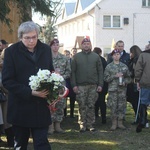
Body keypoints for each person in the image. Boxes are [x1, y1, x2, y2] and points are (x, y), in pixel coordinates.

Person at [2, 21, 54, 150]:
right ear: (20, 37)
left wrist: (54, 86)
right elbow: (7, 81)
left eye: (34, 37)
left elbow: (50, 71)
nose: (31, 41)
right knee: (20, 144)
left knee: (42, 143)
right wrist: (30, 92)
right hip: (20, 107)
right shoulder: (11, 52)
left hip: (40, 106)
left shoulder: (46, 49)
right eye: (27, 38)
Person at [71, 38, 103, 132]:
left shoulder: (96, 57)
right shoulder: (76, 57)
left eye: (88, 43)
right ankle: (82, 124)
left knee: (91, 105)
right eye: (84, 44)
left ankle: (90, 124)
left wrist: (100, 84)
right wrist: (74, 85)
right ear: (82, 45)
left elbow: (100, 71)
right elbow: (72, 72)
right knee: (82, 105)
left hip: (93, 85)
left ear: (90, 45)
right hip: (80, 85)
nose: (86, 45)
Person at [104, 49, 131, 131]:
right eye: (115, 54)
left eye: (118, 54)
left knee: (121, 106)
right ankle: (114, 123)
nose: (116, 56)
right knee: (113, 106)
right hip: (113, 90)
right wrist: (114, 76)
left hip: (122, 90)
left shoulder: (124, 66)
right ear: (112, 56)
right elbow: (105, 78)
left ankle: (120, 122)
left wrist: (125, 82)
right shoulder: (109, 66)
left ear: (120, 55)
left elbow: (129, 78)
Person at [48, 39, 71, 134]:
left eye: (57, 45)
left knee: (60, 105)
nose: (55, 46)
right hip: (50, 85)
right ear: (50, 46)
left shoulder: (64, 58)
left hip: (61, 85)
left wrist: (61, 77)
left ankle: (58, 125)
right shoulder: (47, 58)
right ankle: (50, 126)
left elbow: (68, 71)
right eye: (53, 45)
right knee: (51, 104)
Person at [135, 47, 150, 133]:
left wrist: (137, 80)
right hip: (146, 82)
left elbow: (138, 69)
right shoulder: (143, 55)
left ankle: (143, 121)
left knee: (143, 102)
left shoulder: (143, 55)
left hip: (145, 82)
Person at [126, 45, 142, 124]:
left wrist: (128, 74)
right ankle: (139, 117)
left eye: (131, 52)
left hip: (135, 84)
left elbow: (135, 72)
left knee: (135, 102)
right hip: (134, 83)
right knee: (136, 102)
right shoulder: (136, 59)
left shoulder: (136, 60)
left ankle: (139, 118)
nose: (130, 54)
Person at [93, 47, 108, 124]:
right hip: (102, 84)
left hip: (94, 83)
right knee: (102, 101)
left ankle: (95, 115)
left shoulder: (92, 59)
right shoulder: (103, 60)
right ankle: (103, 118)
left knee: (94, 101)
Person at [63, 50, 76, 118]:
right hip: (65, 81)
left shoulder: (72, 62)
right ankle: (64, 113)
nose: (67, 56)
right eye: (66, 54)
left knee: (72, 98)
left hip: (71, 81)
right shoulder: (62, 61)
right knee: (64, 97)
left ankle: (71, 113)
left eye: (68, 54)